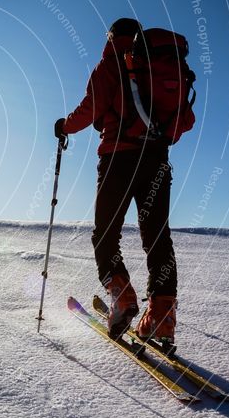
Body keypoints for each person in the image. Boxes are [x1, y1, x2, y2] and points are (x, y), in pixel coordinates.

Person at [55, 18, 178, 344]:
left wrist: (63, 127)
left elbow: (89, 109)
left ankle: (122, 298)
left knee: (105, 234)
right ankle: (161, 319)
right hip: (156, 162)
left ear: (111, 37)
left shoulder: (110, 64)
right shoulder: (155, 65)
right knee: (157, 237)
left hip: (118, 160)